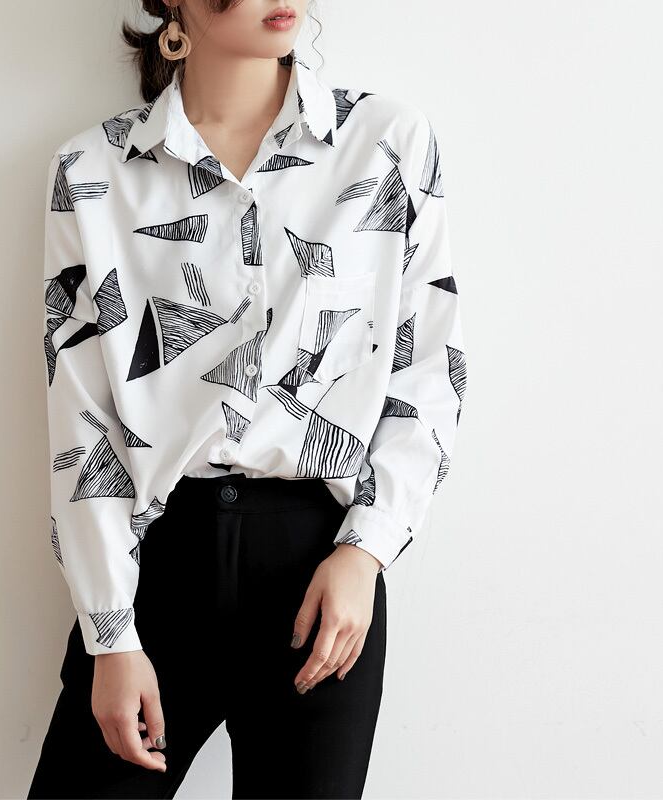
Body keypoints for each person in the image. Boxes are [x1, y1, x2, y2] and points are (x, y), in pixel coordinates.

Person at [28, 0, 467, 797]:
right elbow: (82, 424)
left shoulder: (387, 143)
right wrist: (111, 634)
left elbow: (427, 373)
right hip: (158, 571)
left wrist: (365, 551)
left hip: (321, 572)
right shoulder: (93, 171)